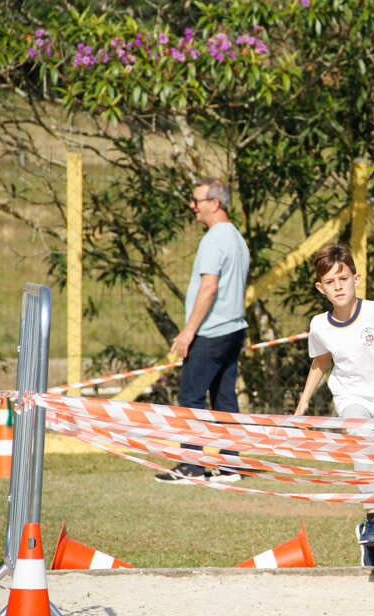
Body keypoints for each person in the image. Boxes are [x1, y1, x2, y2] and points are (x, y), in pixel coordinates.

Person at [294, 244, 374, 567]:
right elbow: (320, 361)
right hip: (350, 400)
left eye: (343, 279)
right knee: (362, 441)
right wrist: (304, 401)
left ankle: (371, 528)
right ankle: (372, 517)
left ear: (356, 279)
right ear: (321, 289)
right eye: (330, 282)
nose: (338, 287)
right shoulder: (319, 324)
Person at [155, 178, 250, 484]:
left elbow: (209, 288)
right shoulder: (236, 237)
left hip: (211, 332)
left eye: (197, 200)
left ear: (215, 204)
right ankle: (229, 466)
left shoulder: (214, 239)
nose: (192, 206)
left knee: (191, 397)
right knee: (224, 401)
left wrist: (188, 332)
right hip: (234, 329)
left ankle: (192, 466)